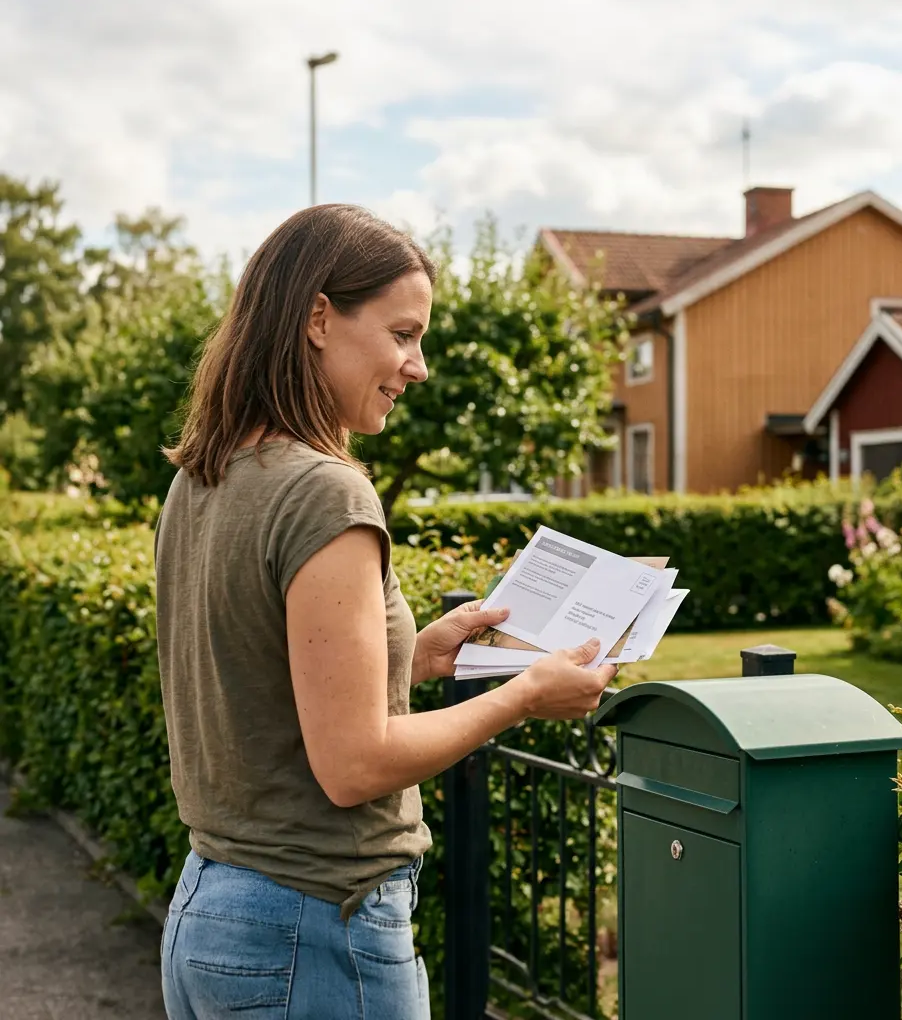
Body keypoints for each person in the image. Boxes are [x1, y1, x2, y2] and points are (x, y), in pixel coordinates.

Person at [154, 204, 617, 1020]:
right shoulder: (324, 491)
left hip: (211, 913)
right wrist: (523, 696)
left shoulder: (206, 477)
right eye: (404, 335)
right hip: (312, 929)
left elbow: (259, 680)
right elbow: (355, 765)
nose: (419, 366)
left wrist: (419, 657)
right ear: (318, 318)